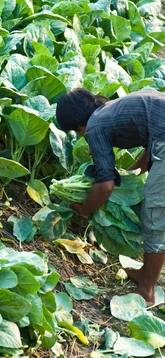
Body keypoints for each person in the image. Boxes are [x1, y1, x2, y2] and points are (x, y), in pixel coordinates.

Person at [56, 88, 165, 305]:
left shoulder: (95, 126)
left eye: (77, 133)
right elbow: (149, 145)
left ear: (79, 125)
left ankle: (146, 291)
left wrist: (85, 209)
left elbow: (105, 185)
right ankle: (145, 272)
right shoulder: (113, 110)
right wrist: (131, 174)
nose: (82, 136)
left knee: (154, 216)